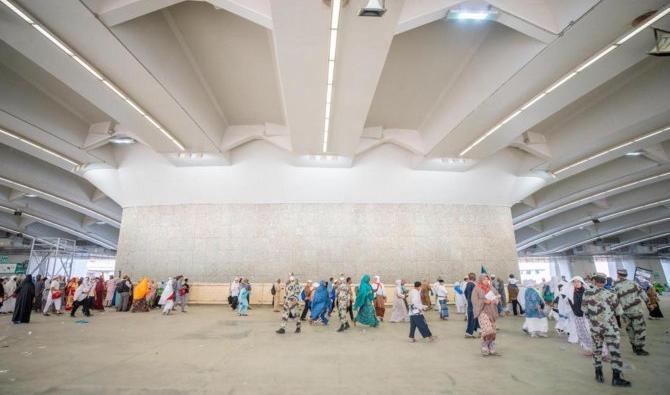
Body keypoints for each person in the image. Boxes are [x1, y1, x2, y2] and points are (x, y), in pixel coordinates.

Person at [583, 272, 631, 387]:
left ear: (594, 281)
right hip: (610, 328)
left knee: (597, 350)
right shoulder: (611, 293)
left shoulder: (587, 293)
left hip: (595, 328)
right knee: (614, 352)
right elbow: (619, 312)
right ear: (605, 282)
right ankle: (616, 378)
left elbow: (584, 310)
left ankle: (598, 374)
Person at [613, 268, 650, 355]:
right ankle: (639, 349)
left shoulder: (614, 285)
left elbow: (613, 299)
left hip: (624, 312)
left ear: (618, 274)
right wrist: (648, 303)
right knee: (640, 329)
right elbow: (643, 294)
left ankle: (634, 346)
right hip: (636, 311)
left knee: (630, 329)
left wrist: (616, 312)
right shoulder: (634, 283)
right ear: (626, 275)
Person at [472, 274, 500, 355]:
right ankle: (484, 346)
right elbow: (474, 301)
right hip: (482, 311)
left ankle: (491, 346)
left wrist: (496, 299)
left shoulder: (492, 288)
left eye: (487, 279)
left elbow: (497, 297)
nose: (486, 281)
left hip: (492, 312)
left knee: (493, 331)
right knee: (488, 330)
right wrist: (484, 301)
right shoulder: (476, 289)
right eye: (484, 279)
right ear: (480, 280)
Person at [464, 273, 479, 338]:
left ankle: (471, 332)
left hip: (470, 303)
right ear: (473, 277)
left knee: (472, 318)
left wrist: (468, 299)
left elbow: (465, 293)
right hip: (474, 304)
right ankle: (469, 333)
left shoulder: (468, 284)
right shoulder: (473, 285)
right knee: (472, 318)